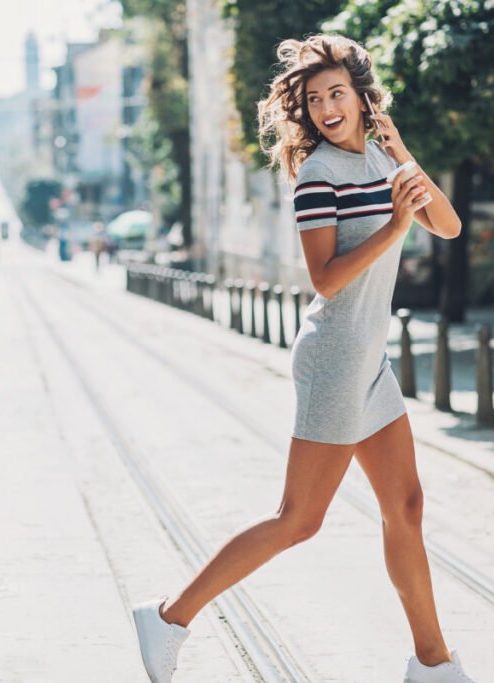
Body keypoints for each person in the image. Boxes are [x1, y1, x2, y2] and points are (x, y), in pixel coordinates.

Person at [131, 35, 471, 683]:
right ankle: (170, 616)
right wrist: (395, 229)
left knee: (407, 506)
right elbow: (325, 277)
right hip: (336, 360)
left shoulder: (382, 161)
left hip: (371, 361)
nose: (325, 107)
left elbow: (449, 227)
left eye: (336, 93)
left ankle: (433, 664)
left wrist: (402, 154)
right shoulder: (316, 175)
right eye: (314, 99)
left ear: (364, 98)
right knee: (300, 519)